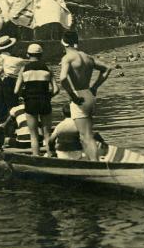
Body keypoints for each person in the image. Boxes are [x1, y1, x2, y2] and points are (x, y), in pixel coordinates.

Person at [59, 30, 111, 161]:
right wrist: (94, 87)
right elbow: (107, 68)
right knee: (86, 134)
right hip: (89, 93)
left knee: (86, 136)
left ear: (63, 42)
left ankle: (95, 164)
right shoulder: (87, 56)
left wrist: (72, 95)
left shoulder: (67, 58)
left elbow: (63, 78)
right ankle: (91, 160)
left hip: (79, 95)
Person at [14, 44, 60, 157]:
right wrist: (48, 96)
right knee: (47, 134)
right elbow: (56, 89)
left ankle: (36, 156)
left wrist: (24, 95)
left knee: (33, 134)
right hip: (45, 101)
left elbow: (16, 91)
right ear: (41, 55)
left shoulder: (24, 69)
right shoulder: (47, 68)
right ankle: (50, 155)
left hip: (30, 102)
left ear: (28, 55)